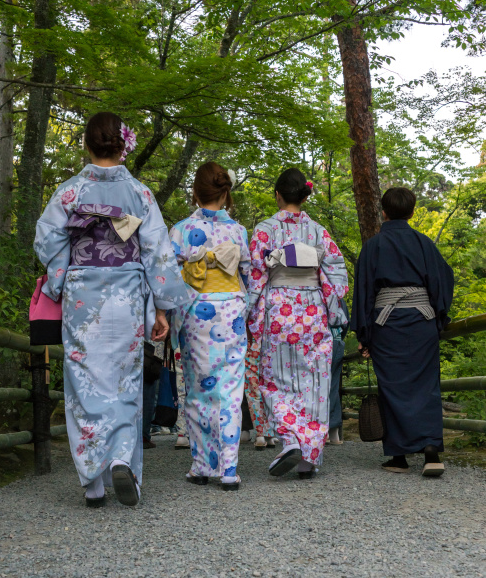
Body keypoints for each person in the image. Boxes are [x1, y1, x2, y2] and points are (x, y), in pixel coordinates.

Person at [34, 112, 187, 507]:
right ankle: (122, 458)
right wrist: (162, 310)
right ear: (124, 145)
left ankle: (93, 483)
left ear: (87, 144)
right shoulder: (140, 194)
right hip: (128, 295)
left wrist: (63, 275)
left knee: (84, 381)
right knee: (124, 381)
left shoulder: (68, 192)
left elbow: (46, 241)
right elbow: (158, 253)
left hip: (83, 295)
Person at [248, 168, 349, 478]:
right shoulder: (319, 232)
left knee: (275, 380)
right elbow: (337, 276)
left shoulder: (264, 229)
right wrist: (331, 306)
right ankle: (309, 458)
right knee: (314, 382)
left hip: (279, 309)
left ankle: (290, 440)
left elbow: (255, 275)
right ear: (305, 196)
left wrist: (252, 313)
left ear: (278, 195)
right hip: (311, 309)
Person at [351, 187, 454, 476]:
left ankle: (399, 457)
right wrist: (437, 318)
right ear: (412, 211)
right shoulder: (424, 243)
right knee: (426, 385)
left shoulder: (373, 246)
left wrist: (364, 334)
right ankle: (432, 451)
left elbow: (364, 292)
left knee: (392, 387)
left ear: (383, 211)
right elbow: (443, 278)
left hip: (387, 325)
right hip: (421, 322)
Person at [169, 162, 250, 490]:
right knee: (230, 390)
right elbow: (249, 275)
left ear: (195, 192)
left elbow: (168, 277)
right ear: (226, 192)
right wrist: (248, 308)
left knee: (199, 388)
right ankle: (228, 469)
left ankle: (202, 465)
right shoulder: (239, 232)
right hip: (231, 311)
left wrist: (169, 311)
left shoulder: (181, 231)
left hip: (195, 312)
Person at [327, 299, 350, 445]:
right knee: (332, 386)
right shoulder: (336, 296)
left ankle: (319, 431)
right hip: (335, 340)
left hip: (312, 339)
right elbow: (345, 323)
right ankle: (333, 433)